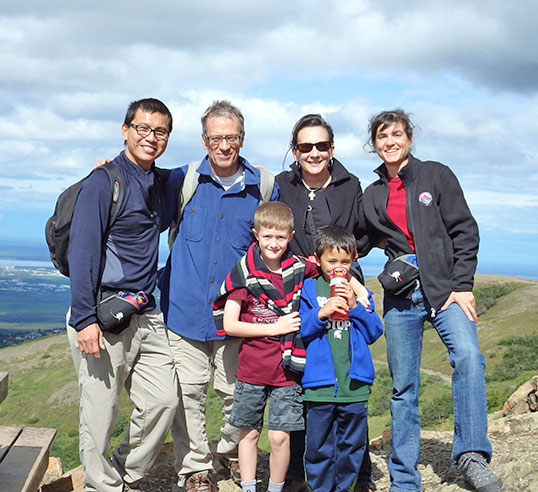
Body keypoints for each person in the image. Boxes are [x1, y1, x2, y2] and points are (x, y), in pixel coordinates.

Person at [359, 109, 504, 492]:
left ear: (409, 138)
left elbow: (464, 231)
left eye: (396, 134)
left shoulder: (436, 175)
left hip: (445, 291)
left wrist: (463, 284)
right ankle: (405, 479)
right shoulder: (371, 194)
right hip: (401, 297)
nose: (389, 142)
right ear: (373, 144)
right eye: (382, 137)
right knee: (403, 387)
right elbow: (355, 240)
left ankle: (472, 455)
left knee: (470, 359)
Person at [158, 100, 279, 491]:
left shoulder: (263, 186)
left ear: (242, 138)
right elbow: (138, 193)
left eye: (231, 137)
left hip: (236, 315)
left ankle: (228, 452)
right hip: (185, 308)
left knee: (234, 395)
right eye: (216, 138)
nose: (224, 145)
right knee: (187, 396)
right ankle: (196, 468)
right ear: (204, 139)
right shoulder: (182, 180)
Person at [66, 98, 179, 492]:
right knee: (100, 412)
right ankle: (102, 487)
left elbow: (209, 169)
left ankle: (121, 474)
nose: (151, 137)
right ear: (125, 130)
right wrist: (83, 320)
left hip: (145, 311)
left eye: (160, 131)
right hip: (101, 311)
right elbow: (82, 252)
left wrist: (255, 171)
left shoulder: (164, 182)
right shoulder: (104, 182)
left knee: (164, 400)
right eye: (143, 128)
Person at [276, 114, 375, 492]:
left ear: (332, 149)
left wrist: (343, 269)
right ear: (295, 150)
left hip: (342, 282)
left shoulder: (351, 186)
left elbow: (365, 234)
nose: (314, 152)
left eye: (321, 145)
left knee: (346, 374)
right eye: (305, 146)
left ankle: (357, 477)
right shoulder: (282, 184)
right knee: (302, 378)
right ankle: (304, 477)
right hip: (299, 289)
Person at [212, 201, 318, 492]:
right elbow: (231, 325)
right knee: (247, 433)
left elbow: (329, 265)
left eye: (281, 237)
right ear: (256, 234)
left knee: (279, 437)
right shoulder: (243, 272)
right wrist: (275, 328)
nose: (274, 243)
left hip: (287, 369)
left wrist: (359, 290)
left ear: (290, 235)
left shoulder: (298, 267)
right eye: (267, 236)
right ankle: (248, 487)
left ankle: (274, 488)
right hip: (252, 368)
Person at [299, 225, 383, 492]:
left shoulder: (357, 292)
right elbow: (300, 330)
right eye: (331, 261)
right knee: (318, 446)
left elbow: (374, 332)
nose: (338, 267)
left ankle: (345, 487)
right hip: (319, 386)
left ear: (353, 259)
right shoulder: (309, 289)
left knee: (352, 446)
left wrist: (356, 307)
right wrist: (321, 313)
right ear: (317, 259)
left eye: (345, 262)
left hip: (354, 387)